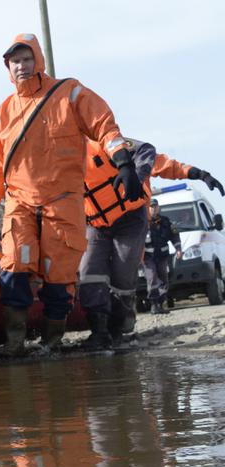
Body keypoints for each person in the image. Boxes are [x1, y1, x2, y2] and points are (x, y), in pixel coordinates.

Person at [0, 33, 139, 357]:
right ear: (7, 68)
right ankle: (14, 343)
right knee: (13, 264)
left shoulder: (69, 93)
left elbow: (104, 126)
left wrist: (122, 161)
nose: (21, 66)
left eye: (26, 59)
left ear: (37, 60)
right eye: (15, 62)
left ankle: (51, 342)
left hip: (62, 200)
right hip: (19, 202)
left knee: (59, 273)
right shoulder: (2, 113)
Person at [79, 138, 223, 348]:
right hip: (96, 222)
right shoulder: (59, 157)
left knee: (124, 270)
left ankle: (119, 326)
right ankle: (99, 331)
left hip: (131, 217)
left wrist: (199, 174)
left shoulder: (107, 143)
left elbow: (160, 161)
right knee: (89, 271)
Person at [143, 198, 182, 314]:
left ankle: (160, 304)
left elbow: (174, 236)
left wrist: (178, 249)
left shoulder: (165, 221)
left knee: (164, 280)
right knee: (152, 278)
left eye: (155, 206)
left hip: (162, 256)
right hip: (148, 257)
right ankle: (154, 305)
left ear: (158, 207)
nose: (153, 209)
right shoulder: (142, 222)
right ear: (147, 208)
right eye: (151, 207)